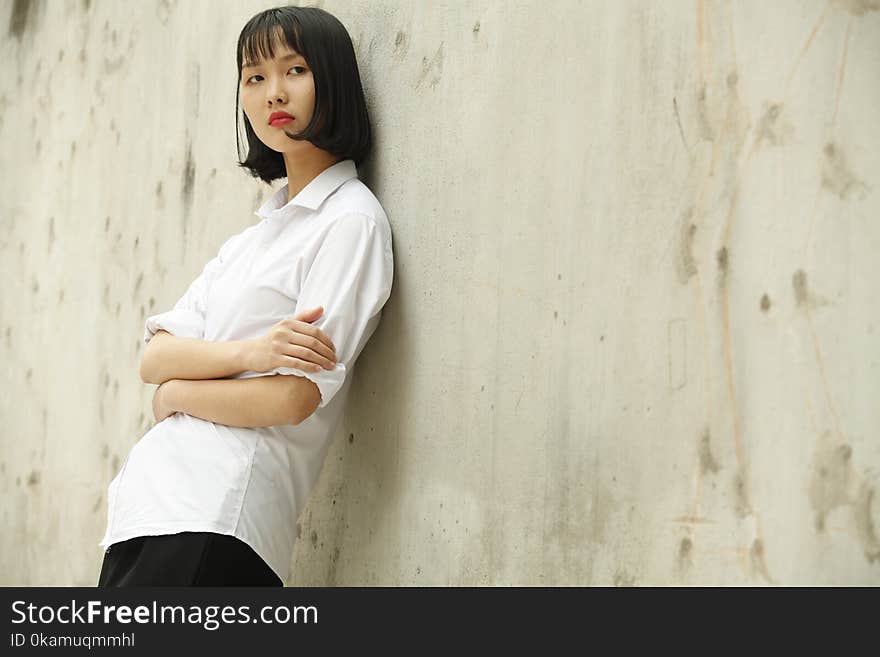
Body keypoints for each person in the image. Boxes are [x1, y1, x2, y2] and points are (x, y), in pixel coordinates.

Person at [97, 6, 393, 587]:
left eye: (295, 70)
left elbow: (292, 398)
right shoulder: (251, 241)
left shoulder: (351, 222)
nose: (273, 92)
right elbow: (155, 358)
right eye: (255, 77)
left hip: (217, 517)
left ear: (331, 80)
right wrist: (250, 355)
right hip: (146, 510)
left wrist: (179, 394)